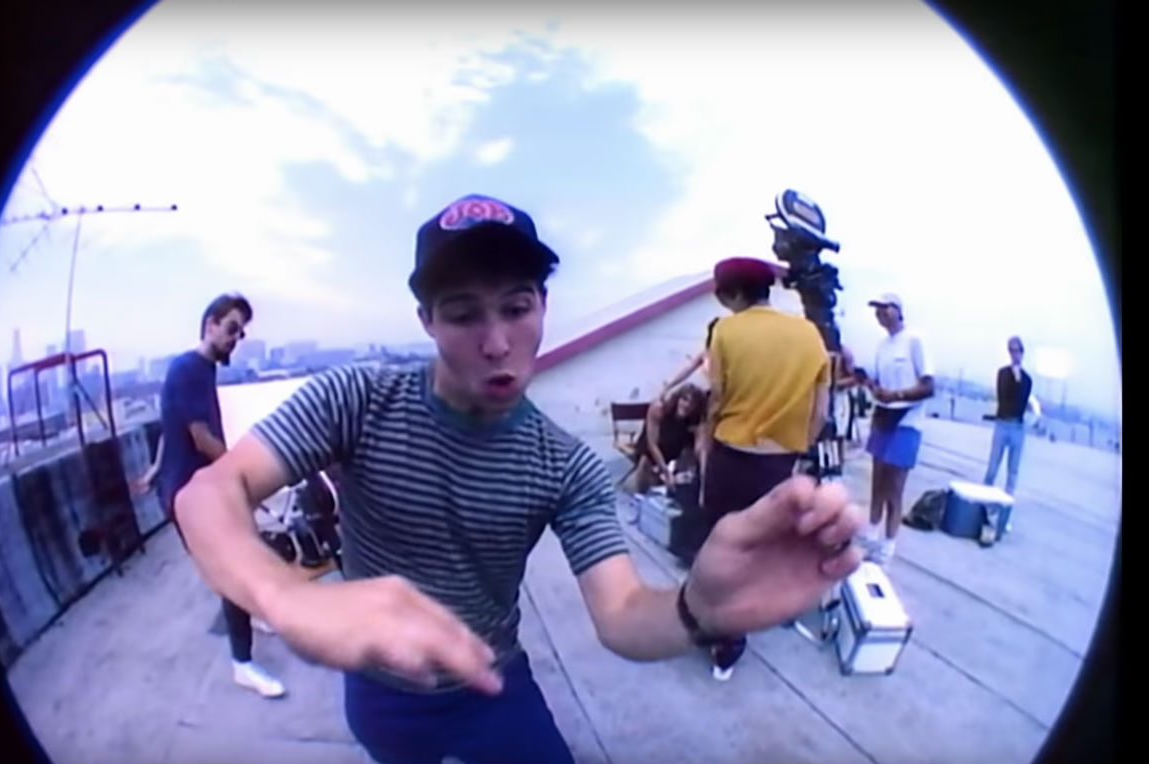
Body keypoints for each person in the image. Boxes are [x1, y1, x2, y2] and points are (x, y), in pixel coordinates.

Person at [173, 194, 865, 764]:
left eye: (516, 307)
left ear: (543, 305)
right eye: (463, 314)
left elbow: (623, 613)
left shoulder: (563, 463)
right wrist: (290, 599)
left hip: (493, 681)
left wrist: (699, 609)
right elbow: (209, 493)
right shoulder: (357, 400)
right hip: (382, 690)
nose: (497, 342)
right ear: (426, 321)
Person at [132, 293, 286, 699]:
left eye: (241, 332)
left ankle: (249, 616)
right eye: (232, 329)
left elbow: (170, 427)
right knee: (231, 569)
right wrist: (244, 475)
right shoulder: (187, 370)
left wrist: (154, 469)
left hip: (196, 486)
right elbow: (201, 438)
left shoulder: (199, 370)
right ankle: (243, 665)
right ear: (210, 325)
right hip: (191, 496)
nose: (236, 338)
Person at [699, 256, 832, 681]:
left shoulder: (727, 330)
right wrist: (800, 446)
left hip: (732, 454)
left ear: (734, 293)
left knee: (722, 545)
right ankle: (748, 619)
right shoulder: (809, 334)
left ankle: (725, 637)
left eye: (723, 294)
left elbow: (717, 397)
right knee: (760, 546)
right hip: (779, 462)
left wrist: (706, 440)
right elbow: (820, 408)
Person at [862, 292, 936, 567]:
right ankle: (870, 535)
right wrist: (872, 387)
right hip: (883, 417)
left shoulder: (915, 340)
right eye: (876, 309)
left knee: (894, 488)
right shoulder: (882, 345)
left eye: (885, 308)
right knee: (877, 482)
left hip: (906, 422)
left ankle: (888, 545)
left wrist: (898, 396)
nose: (880, 313)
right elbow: (877, 382)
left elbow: (928, 386)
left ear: (898, 310)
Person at [983, 335, 1041, 497]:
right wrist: (1014, 378)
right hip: (1002, 424)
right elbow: (1004, 397)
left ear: (1022, 353)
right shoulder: (1003, 373)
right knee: (993, 466)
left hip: (1017, 427)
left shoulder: (1027, 380)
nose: (1015, 355)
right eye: (1011, 351)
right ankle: (983, 499)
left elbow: (1021, 402)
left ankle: (1007, 501)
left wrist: (1018, 379)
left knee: (1013, 469)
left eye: (1017, 351)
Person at [626, 383, 707, 494]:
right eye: (684, 399)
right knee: (646, 459)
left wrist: (703, 475)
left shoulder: (695, 420)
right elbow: (652, 444)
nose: (687, 405)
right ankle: (642, 490)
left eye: (693, 403)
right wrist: (666, 472)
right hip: (650, 450)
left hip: (674, 451)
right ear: (678, 398)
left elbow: (700, 448)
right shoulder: (659, 409)